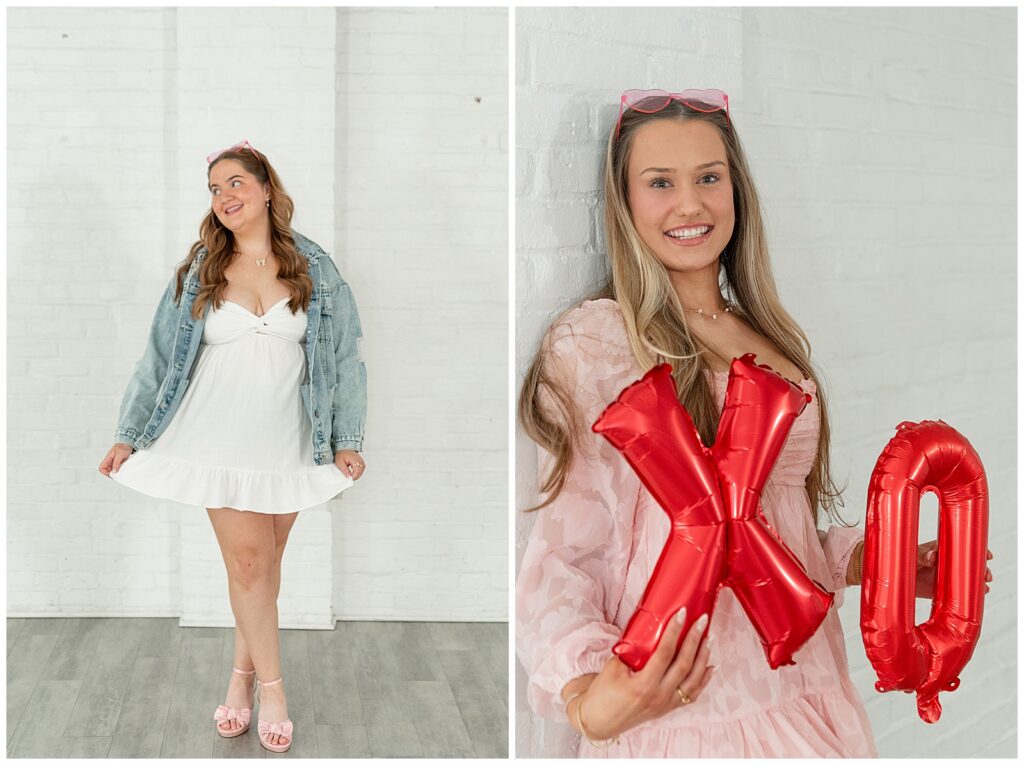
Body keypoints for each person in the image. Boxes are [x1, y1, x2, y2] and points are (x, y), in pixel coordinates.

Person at [515, 90, 993, 758]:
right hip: (687, 711)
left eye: (710, 177)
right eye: (660, 183)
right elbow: (567, 551)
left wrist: (871, 562)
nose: (690, 204)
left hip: (803, 685)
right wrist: (585, 696)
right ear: (624, 202)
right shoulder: (601, 342)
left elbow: (773, 523)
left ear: (737, 189)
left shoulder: (769, 336)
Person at [98, 140, 368, 753]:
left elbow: (345, 356)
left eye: (236, 183)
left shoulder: (314, 267)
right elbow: (158, 357)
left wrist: (347, 438)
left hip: (291, 440)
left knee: (265, 566)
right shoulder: (202, 268)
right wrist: (128, 434)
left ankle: (239, 680)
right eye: (215, 189)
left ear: (267, 189)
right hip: (216, 436)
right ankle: (274, 691)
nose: (225, 197)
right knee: (248, 565)